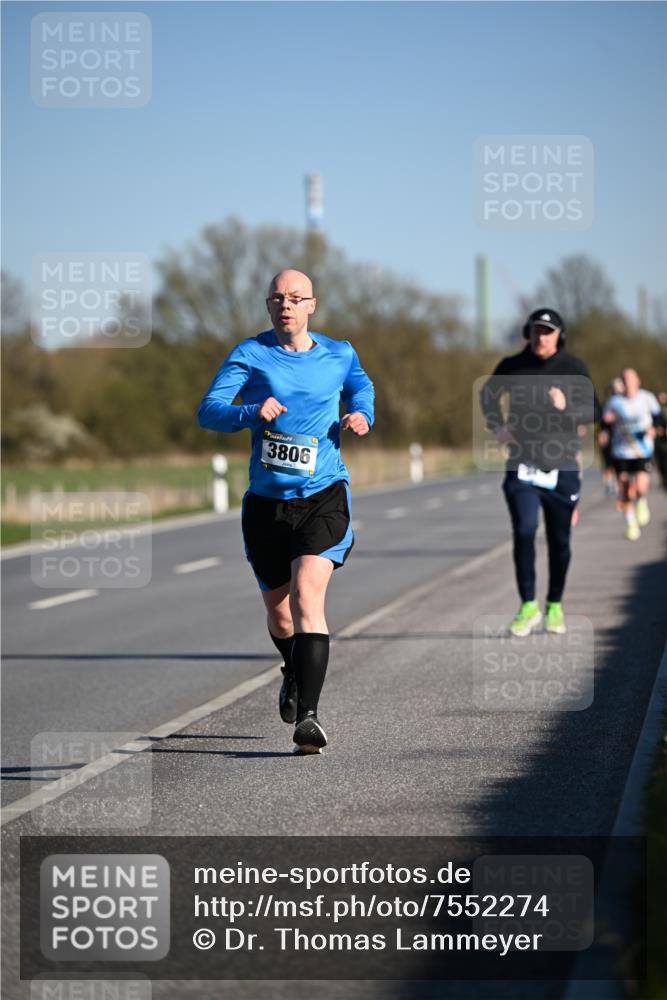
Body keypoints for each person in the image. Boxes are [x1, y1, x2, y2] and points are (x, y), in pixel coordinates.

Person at [197, 269, 375, 753]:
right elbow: (208, 410)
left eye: (296, 298)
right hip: (266, 504)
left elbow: (362, 387)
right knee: (280, 618)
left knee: (306, 595)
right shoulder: (250, 354)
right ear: (268, 306)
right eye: (277, 298)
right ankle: (292, 671)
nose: (286, 305)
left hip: (323, 493)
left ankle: (309, 720)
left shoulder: (339, 353)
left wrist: (362, 414)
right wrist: (249, 412)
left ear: (312, 305)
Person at [480, 308, 600, 637]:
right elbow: (487, 395)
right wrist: (498, 427)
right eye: (536, 330)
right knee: (524, 530)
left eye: (548, 331)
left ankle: (554, 604)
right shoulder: (512, 365)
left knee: (560, 540)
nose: (541, 337)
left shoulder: (573, 367)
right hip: (523, 463)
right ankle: (528, 605)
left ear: (560, 335)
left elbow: (595, 409)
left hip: (563, 465)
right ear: (528, 333)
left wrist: (566, 407)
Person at [602, 368, 662, 540]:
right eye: (624, 379)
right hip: (621, 451)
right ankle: (630, 523)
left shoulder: (647, 398)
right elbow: (605, 421)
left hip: (642, 449)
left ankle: (641, 501)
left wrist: (653, 429)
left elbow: (659, 418)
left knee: (641, 487)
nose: (627, 382)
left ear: (638, 381)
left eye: (630, 379)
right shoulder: (615, 401)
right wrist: (605, 427)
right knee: (625, 490)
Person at [598, 377, 625, 497]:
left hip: (624, 437)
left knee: (620, 461)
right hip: (610, 435)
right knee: (608, 460)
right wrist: (602, 432)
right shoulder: (607, 403)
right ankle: (610, 482)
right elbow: (602, 420)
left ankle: (621, 483)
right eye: (615, 388)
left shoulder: (628, 402)